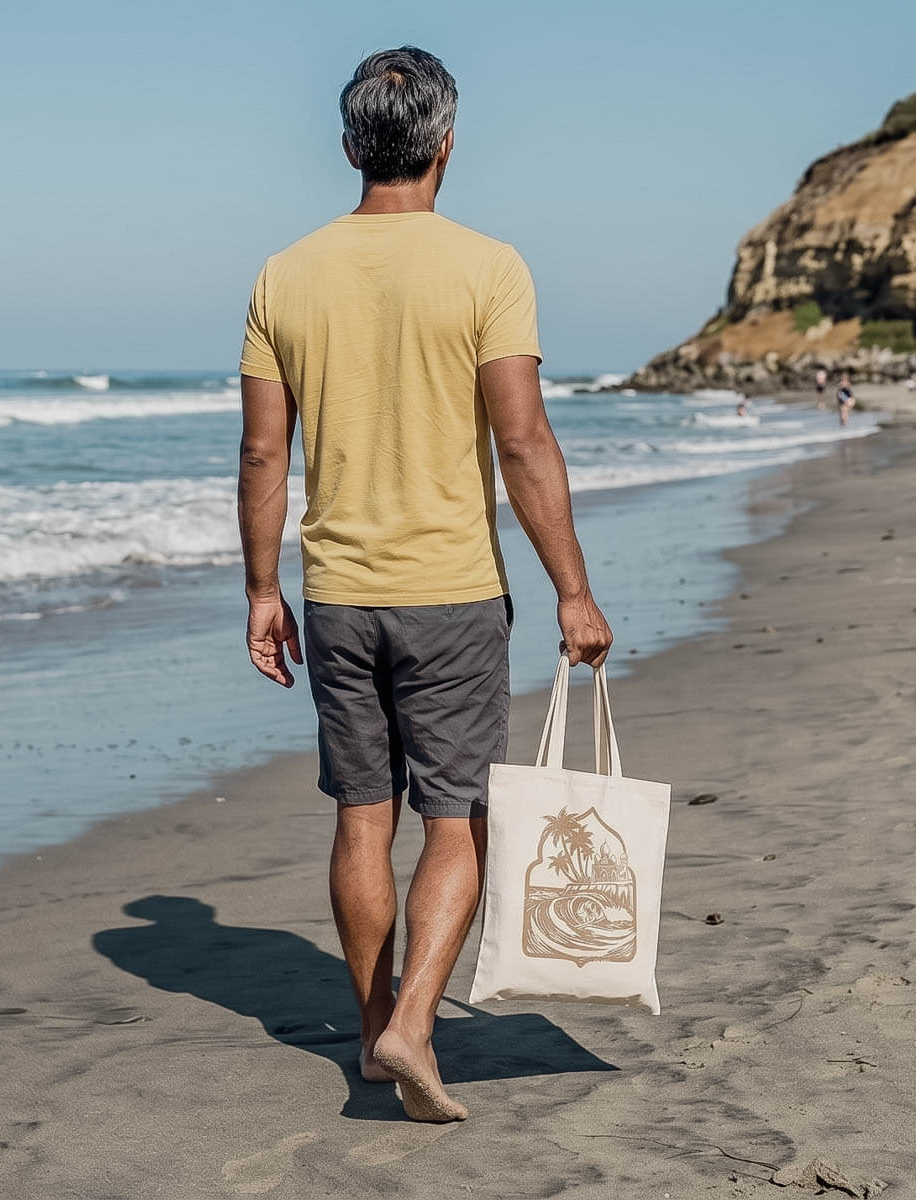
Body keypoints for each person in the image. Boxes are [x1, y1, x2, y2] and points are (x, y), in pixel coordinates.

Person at [237, 46, 612, 1124]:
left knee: (364, 816)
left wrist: (263, 591)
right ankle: (414, 1023)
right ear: (447, 143)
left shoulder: (283, 275)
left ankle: (371, 1036)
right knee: (459, 817)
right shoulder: (489, 268)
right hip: (450, 593)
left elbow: (264, 455)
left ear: (349, 145)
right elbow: (523, 440)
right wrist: (573, 590)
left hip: (338, 594)